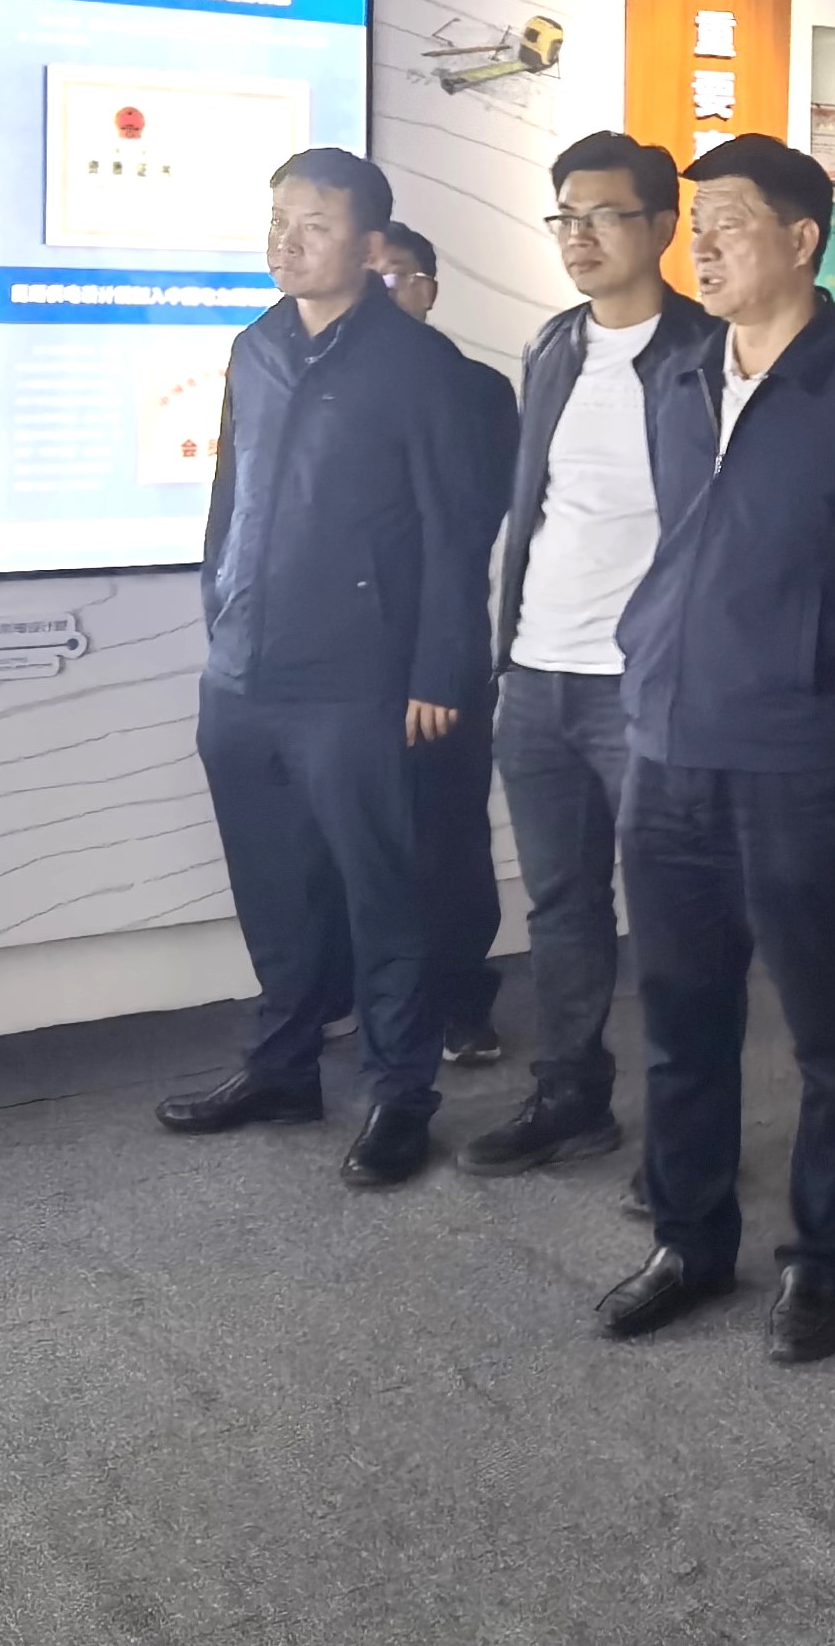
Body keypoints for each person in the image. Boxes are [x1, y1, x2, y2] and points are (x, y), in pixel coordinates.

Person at [591, 134, 835, 1366]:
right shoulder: (680, 375)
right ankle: (689, 1238)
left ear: (802, 240)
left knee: (826, 1023)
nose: (701, 246)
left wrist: (809, 671)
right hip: (669, 746)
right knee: (681, 1014)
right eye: (696, 225)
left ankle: (822, 1258)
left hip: (801, 756)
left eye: (729, 222)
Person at [156, 150, 490, 1188]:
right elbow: (231, 497)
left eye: (313, 224)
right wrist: (219, 607)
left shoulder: (416, 363)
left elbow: (453, 532)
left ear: (369, 244)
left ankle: (399, 1095)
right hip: (245, 671)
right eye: (278, 221)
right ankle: (282, 1067)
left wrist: (439, 671)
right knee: (274, 886)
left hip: (360, 678)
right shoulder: (254, 345)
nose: (286, 242)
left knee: (383, 895)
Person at [457, 134, 713, 1181]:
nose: (579, 236)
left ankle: (688, 1142)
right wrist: (507, 653)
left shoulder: (708, 351)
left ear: (661, 226)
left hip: (646, 684)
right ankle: (570, 1097)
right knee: (561, 903)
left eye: (603, 214)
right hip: (536, 674)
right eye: (565, 215)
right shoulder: (554, 345)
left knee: (676, 915)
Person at [329, 220, 518, 1071]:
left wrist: (437, 664)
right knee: (352, 837)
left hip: (439, 649)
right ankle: (365, 998)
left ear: (429, 289)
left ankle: (459, 1004)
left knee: (446, 836)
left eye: (395, 277)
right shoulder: (321, 380)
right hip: (342, 659)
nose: (378, 293)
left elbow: (470, 526)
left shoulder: (475, 389)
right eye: (365, 276)